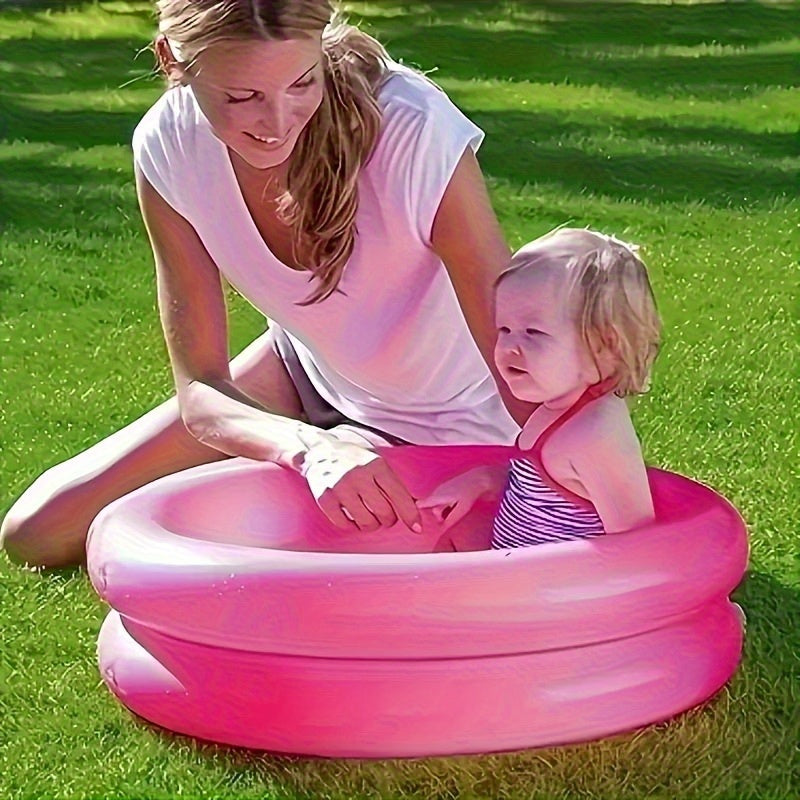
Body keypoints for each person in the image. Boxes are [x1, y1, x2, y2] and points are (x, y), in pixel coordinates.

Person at [1, 0, 538, 569]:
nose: (277, 122)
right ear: (171, 61)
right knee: (37, 531)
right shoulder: (169, 144)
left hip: (460, 419)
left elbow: (516, 346)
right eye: (242, 97)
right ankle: (321, 442)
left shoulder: (411, 129)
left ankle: (344, 451)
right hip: (305, 373)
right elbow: (201, 391)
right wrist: (307, 449)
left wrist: (542, 467)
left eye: (302, 83)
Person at [418, 227, 662, 550]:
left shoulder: (596, 434)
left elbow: (637, 544)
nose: (509, 347)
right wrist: (483, 480)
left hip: (558, 581)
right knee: (446, 545)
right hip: (519, 567)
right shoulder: (558, 407)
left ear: (605, 345)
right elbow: (539, 482)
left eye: (533, 332)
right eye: (504, 329)